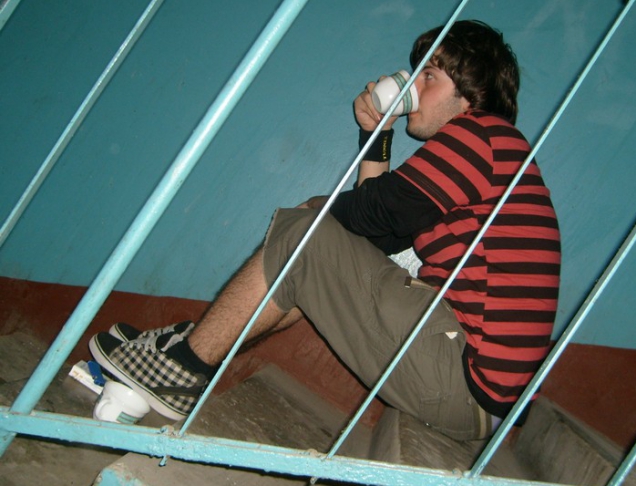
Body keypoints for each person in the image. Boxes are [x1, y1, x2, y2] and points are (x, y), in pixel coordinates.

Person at [89, 20, 560, 441]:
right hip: (473, 389)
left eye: (429, 76)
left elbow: (372, 216)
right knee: (315, 245)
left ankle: (184, 364)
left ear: (470, 92)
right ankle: (190, 352)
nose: (413, 87)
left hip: (465, 379)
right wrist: (377, 134)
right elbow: (373, 237)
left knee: (306, 230)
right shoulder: (488, 155)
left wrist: (312, 213)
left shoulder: (482, 135)